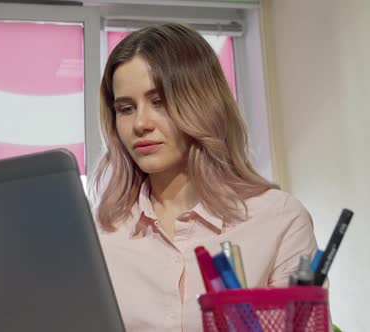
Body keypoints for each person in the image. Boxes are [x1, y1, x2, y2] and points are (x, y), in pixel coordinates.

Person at [91, 23, 319, 331]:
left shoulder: (279, 219)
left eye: (159, 101)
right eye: (126, 108)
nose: (140, 123)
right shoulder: (99, 235)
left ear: (202, 103)